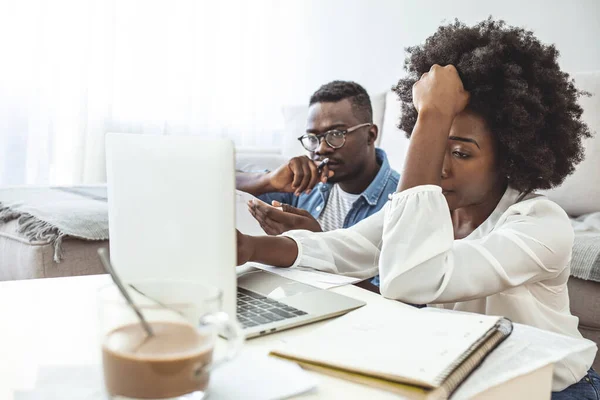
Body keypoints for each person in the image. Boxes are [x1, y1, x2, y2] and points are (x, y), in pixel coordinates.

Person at [236, 19, 599, 398]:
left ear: (510, 158)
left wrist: (433, 115)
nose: (440, 168)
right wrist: (248, 247)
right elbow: (341, 247)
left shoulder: (540, 224)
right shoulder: (437, 211)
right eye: (432, 146)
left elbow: (411, 277)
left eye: (460, 152)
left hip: (555, 387)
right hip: (470, 379)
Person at [236, 80, 400, 288]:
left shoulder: (400, 199)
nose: (321, 148)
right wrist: (268, 181)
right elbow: (222, 185)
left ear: (370, 135)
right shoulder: (307, 184)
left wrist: (314, 246)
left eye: (336, 135)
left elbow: (395, 298)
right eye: (313, 137)